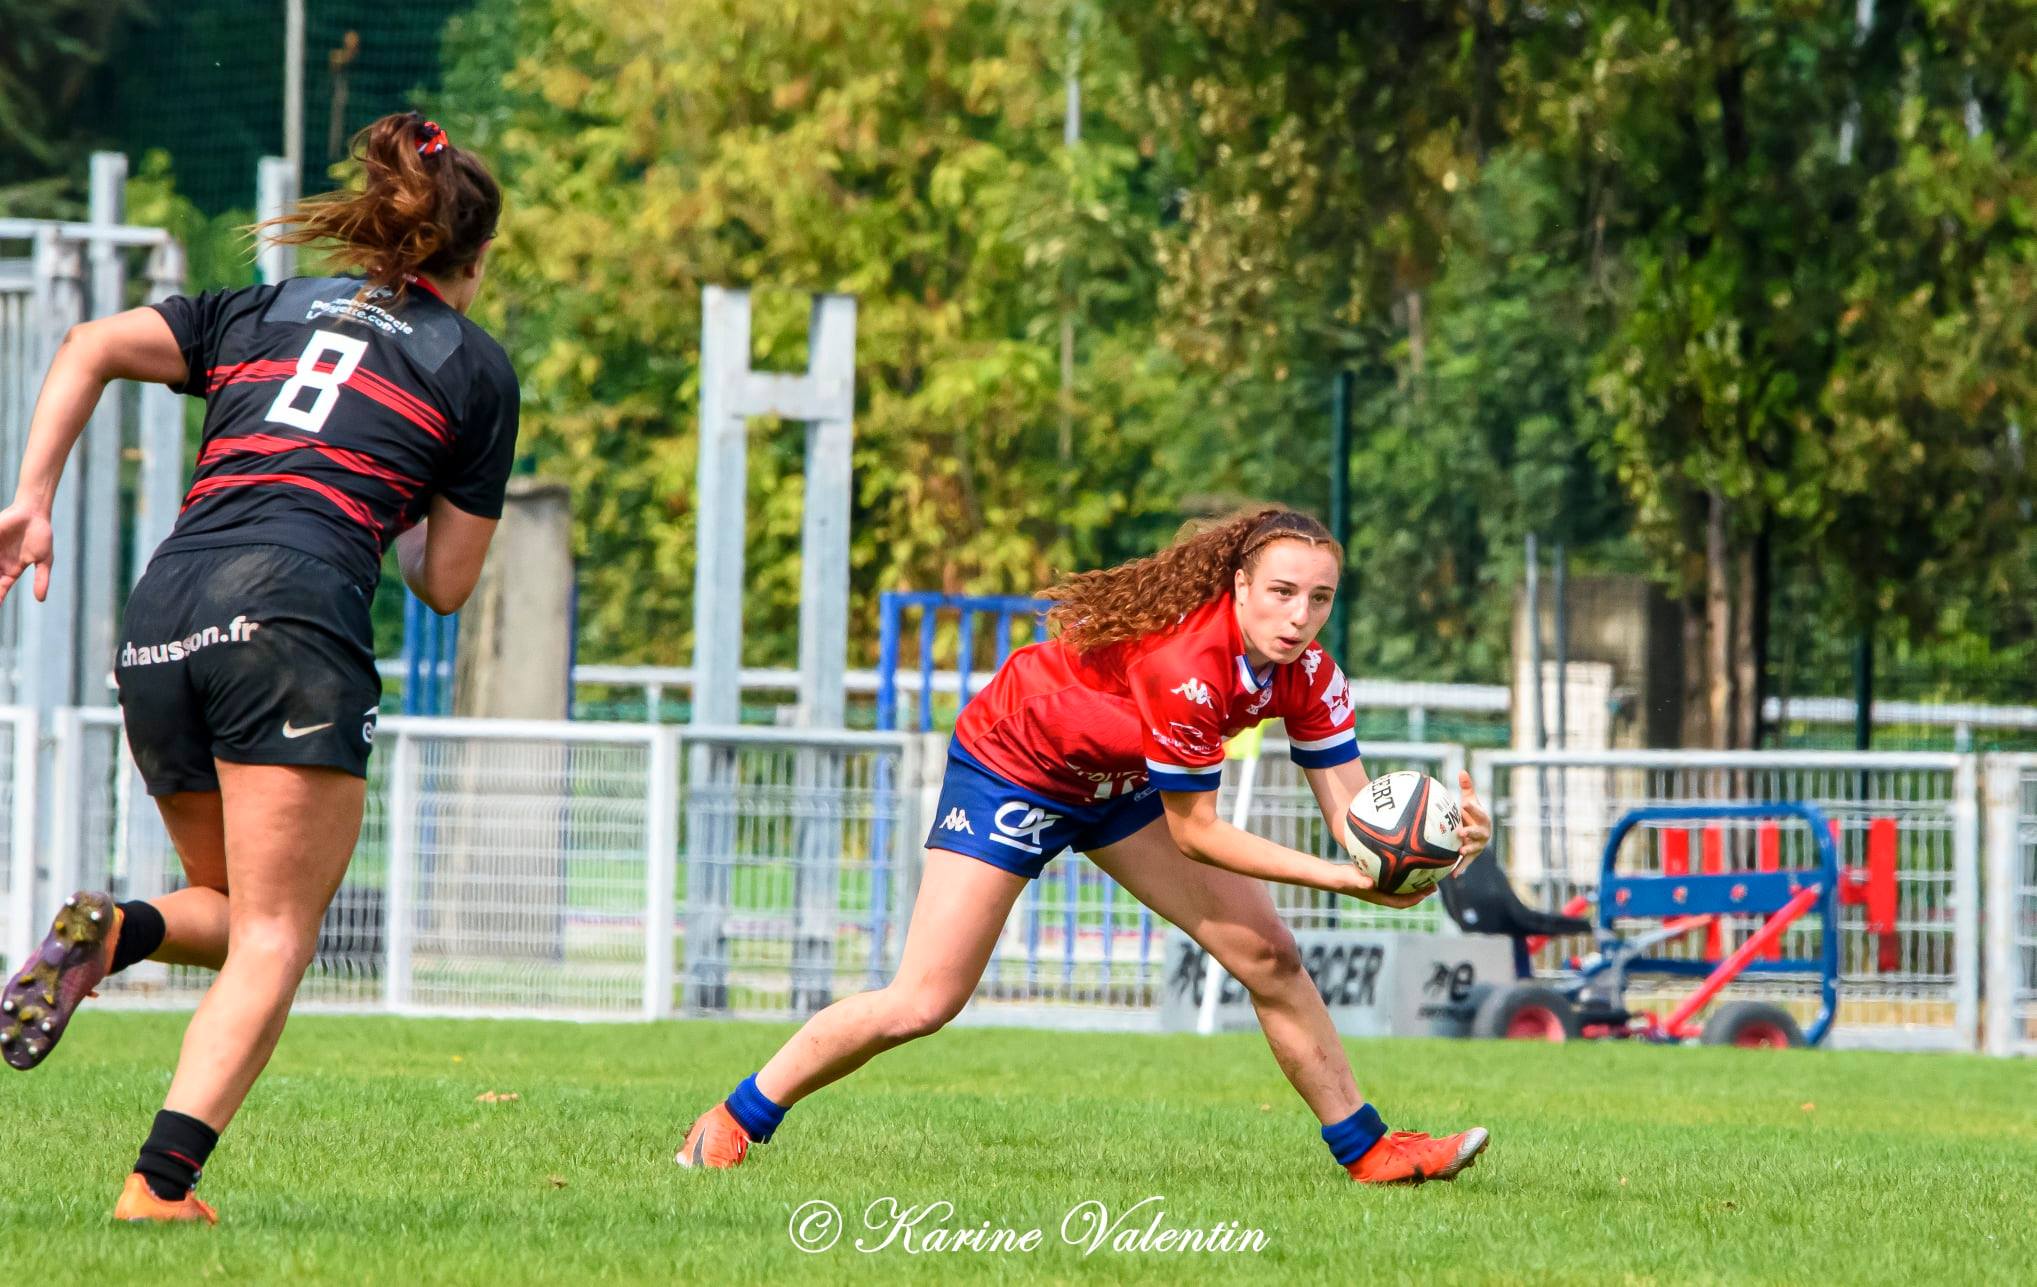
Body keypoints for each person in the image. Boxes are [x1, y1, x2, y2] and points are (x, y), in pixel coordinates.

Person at [0, 113, 519, 1224]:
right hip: (291, 610)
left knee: (238, 910)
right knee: (282, 934)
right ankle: (159, 1187)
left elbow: (85, 342)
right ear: (471, 262)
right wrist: (428, 486)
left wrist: (31, 499)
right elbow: (445, 582)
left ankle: (120, 929)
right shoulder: (473, 367)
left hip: (166, 609)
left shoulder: (267, 307)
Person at [676, 506, 1496, 1185]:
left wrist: (1440, 850)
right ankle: (732, 1119)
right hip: (1014, 766)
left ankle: (1369, 1150)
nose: (1299, 616)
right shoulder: (1188, 665)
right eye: (1280, 592)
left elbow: (1360, 824)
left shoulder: (1309, 673)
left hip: (1119, 787)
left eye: (1318, 598)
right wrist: (1339, 878)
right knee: (923, 1001)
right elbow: (1197, 832)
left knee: (1270, 956)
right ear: (1239, 586)